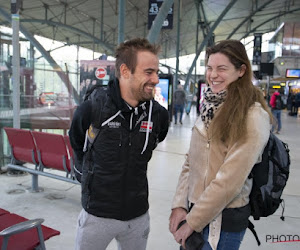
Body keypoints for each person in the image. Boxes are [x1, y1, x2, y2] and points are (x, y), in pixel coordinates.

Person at [169, 40, 272, 250]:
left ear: (241, 70)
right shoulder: (209, 106)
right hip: (196, 210)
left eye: (221, 68)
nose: (213, 75)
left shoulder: (252, 116)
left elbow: (230, 181)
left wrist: (192, 222)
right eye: (209, 68)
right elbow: (191, 160)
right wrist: (180, 204)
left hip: (224, 221)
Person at [69, 38, 169, 250]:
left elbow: (157, 139)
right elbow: (77, 140)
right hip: (96, 215)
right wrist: (85, 173)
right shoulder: (92, 108)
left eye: (157, 72)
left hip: (137, 215)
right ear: (125, 71)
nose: (156, 79)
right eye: (149, 72)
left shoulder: (158, 115)